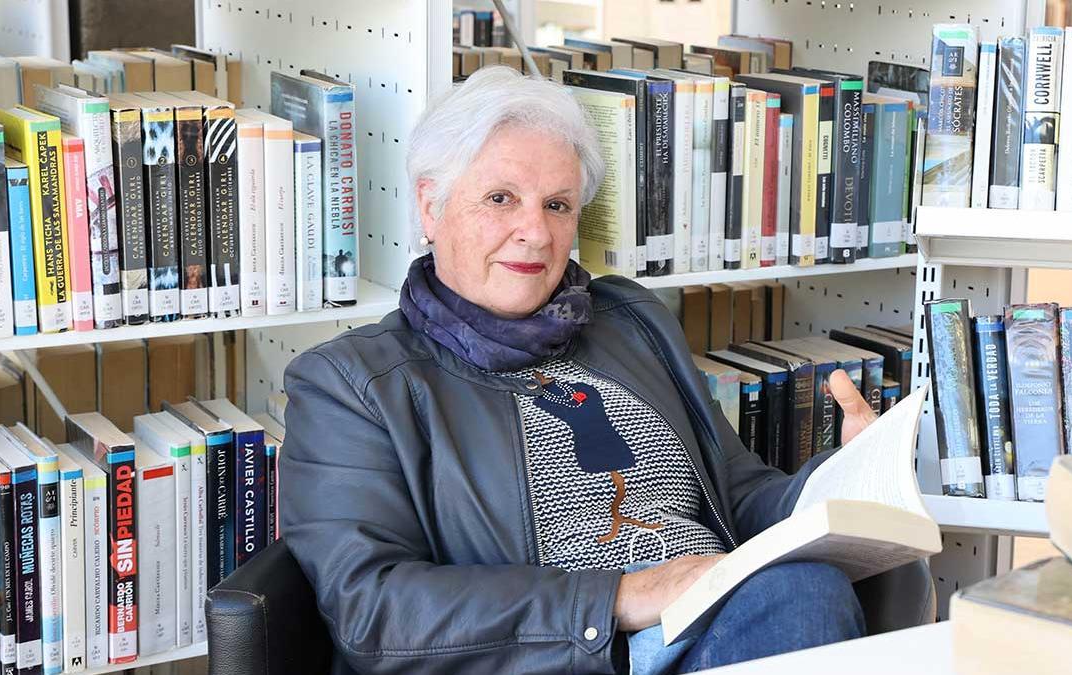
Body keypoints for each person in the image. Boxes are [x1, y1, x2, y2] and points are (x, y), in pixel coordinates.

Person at [280, 66, 878, 675]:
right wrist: (617, 599)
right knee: (806, 594)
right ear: (431, 208)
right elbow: (375, 613)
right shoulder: (351, 383)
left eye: (557, 205)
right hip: (583, 655)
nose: (535, 233)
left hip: (723, 615)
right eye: (500, 198)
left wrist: (843, 480)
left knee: (812, 583)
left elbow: (738, 493)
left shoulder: (629, 319)